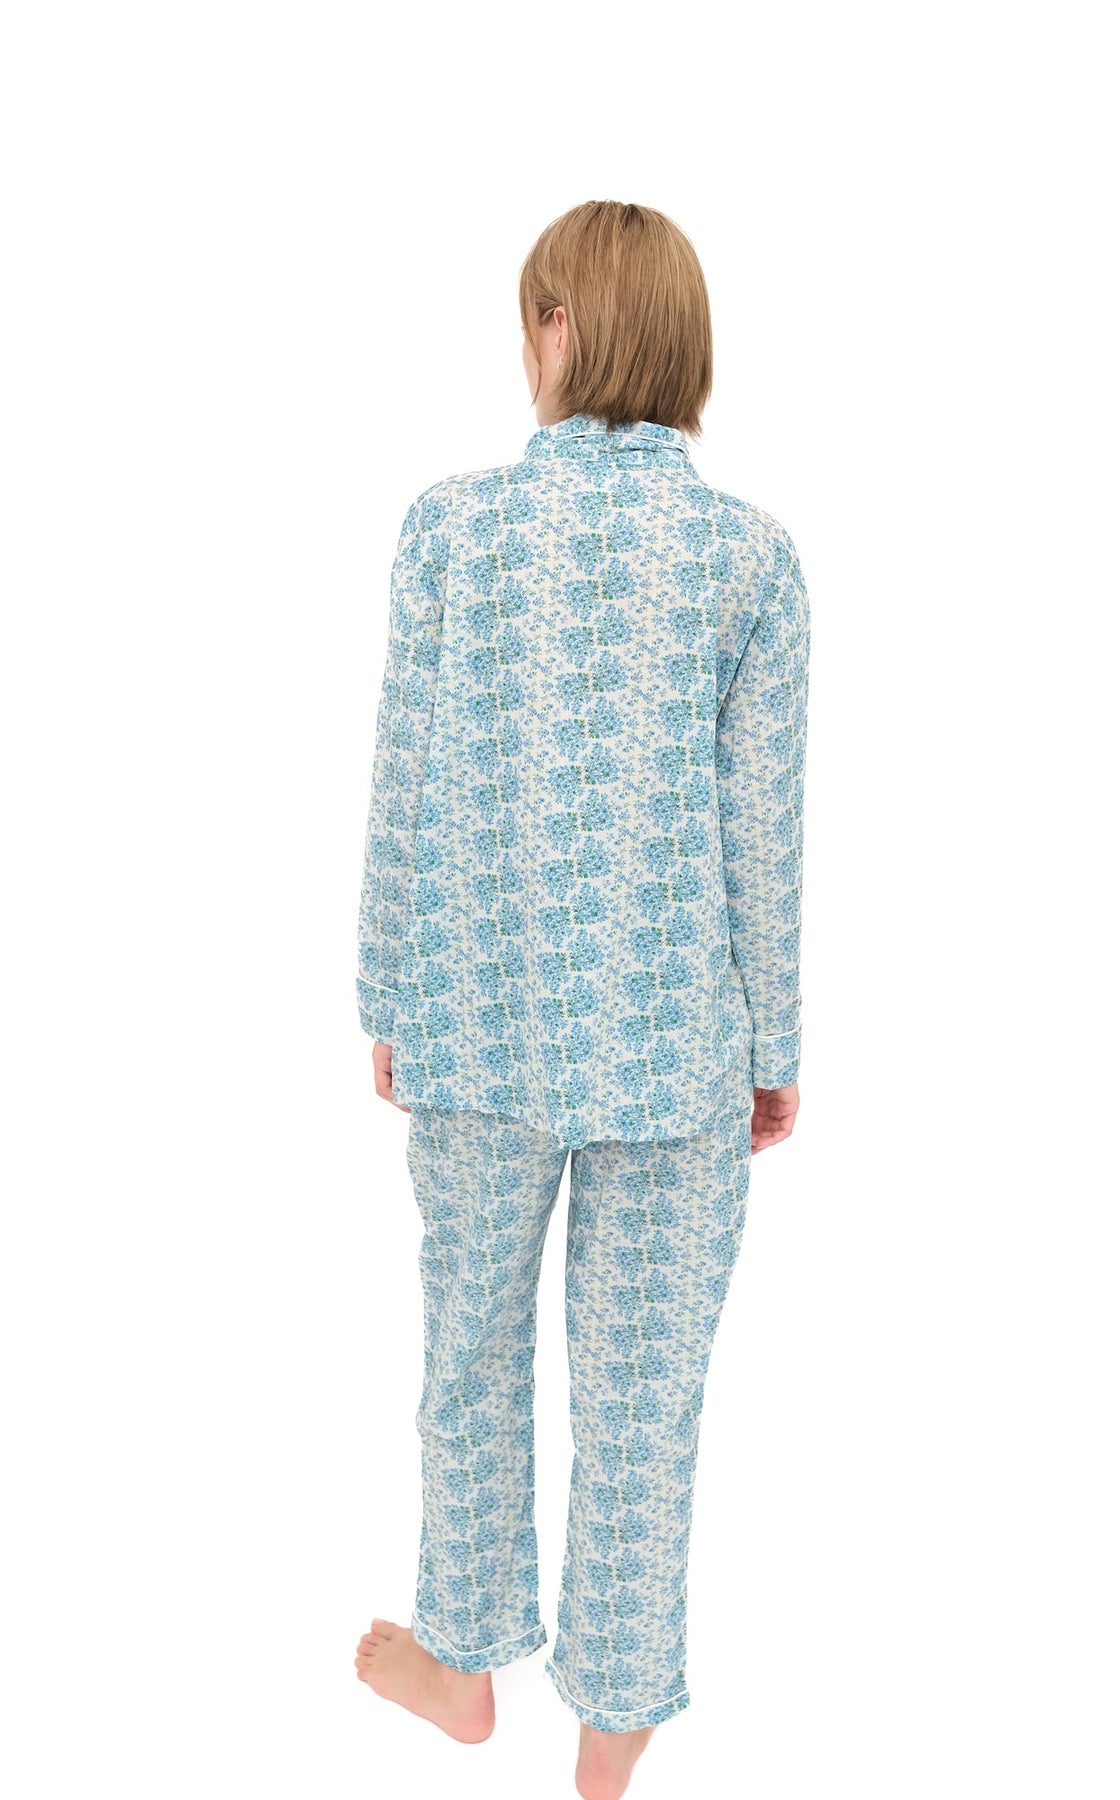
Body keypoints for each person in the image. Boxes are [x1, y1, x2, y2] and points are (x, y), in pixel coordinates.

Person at [352, 198, 811, 1800]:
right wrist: (775, 1046)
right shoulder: (748, 558)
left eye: (527, 319)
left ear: (559, 328)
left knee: (468, 1352)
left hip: (474, 1022)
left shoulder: (450, 530)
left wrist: (386, 988)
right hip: (678, 1046)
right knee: (644, 1398)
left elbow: (405, 781)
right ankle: (609, 1739)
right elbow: (764, 827)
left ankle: (464, 1661)